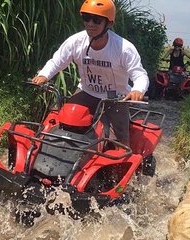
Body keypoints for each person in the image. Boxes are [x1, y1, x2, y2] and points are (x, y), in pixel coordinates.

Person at [31, 0, 149, 146]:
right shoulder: (76, 41)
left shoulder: (124, 48)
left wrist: (138, 89)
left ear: (109, 24)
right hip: (86, 92)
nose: (90, 24)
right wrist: (44, 75)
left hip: (116, 99)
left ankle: (122, 163)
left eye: (97, 20)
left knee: (118, 143)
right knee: (63, 122)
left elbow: (139, 74)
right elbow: (57, 61)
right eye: (86, 18)